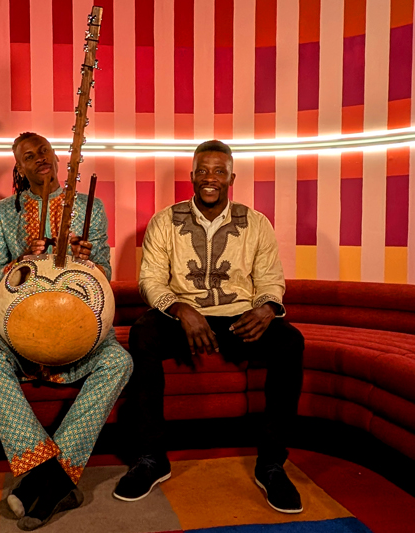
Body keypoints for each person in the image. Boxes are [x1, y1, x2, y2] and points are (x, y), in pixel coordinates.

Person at [114, 140, 305, 514]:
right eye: (203, 170)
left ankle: (270, 464)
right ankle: (152, 458)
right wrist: (180, 307)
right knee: (143, 333)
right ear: (192, 177)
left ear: (231, 177)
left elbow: (271, 280)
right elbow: (150, 280)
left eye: (219, 171)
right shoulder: (164, 221)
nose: (210, 178)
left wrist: (267, 308)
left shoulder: (256, 223)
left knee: (290, 342)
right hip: (182, 318)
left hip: (240, 320)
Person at [0, 133, 132, 530]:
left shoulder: (90, 207)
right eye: (28, 156)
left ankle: (44, 481)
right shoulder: (2, 213)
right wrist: (24, 259)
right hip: (18, 328)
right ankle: (52, 474)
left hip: (79, 328)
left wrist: (89, 261)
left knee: (119, 361)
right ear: (20, 169)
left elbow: (106, 277)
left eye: (44, 150)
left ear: (58, 158)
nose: (39, 157)